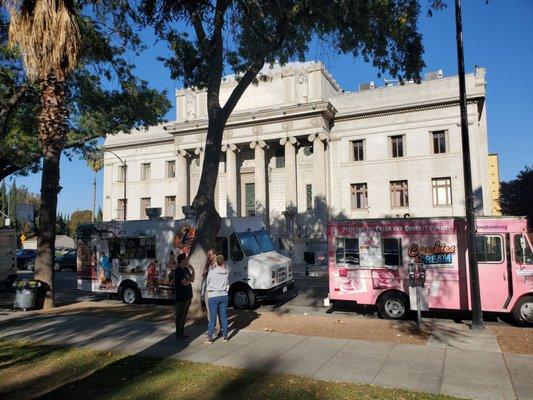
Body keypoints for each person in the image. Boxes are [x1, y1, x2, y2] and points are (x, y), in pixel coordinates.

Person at [205, 255, 229, 343]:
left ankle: (209, 338)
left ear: (216, 262)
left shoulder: (211, 272)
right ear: (223, 262)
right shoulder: (226, 271)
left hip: (213, 295)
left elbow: (208, 282)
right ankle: (225, 336)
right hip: (224, 295)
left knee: (213, 318)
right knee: (223, 317)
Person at [172, 253, 195, 340]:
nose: (187, 260)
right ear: (182, 260)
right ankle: (178, 335)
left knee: (184, 316)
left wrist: (193, 270)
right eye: (186, 259)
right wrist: (189, 280)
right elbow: (185, 283)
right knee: (179, 316)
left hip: (188, 296)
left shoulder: (185, 269)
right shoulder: (178, 271)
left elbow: (192, 279)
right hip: (181, 297)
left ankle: (182, 333)